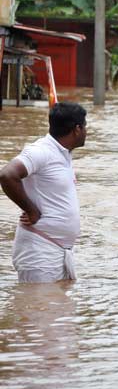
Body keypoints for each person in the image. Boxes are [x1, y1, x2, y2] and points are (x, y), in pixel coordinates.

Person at [0, 103, 87, 283]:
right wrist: (31, 210)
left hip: (59, 250)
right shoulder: (41, 151)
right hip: (39, 251)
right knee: (38, 301)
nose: (86, 131)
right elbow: (7, 175)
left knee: (58, 301)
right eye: (85, 126)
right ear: (77, 129)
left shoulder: (63, 153)